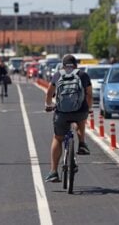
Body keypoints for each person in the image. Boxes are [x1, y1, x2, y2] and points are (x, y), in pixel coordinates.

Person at [44, 54, 93, 182]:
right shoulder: (83, 75)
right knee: (81, 118)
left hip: (62, 113)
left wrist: (48, 105)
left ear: (63, 65)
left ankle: (54, 171)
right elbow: (89, 95)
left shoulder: (58, 75)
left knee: (57, 138)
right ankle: (81, 144)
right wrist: (88, 108)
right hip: (79, 112)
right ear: (75, 65)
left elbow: (49, 93)